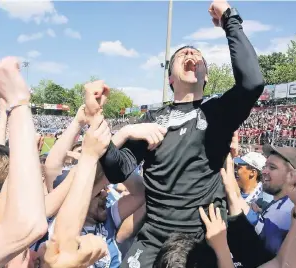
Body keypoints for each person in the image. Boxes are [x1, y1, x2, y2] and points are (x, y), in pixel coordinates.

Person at [97, 1, 264, 266]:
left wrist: (229, 20)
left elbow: (253, 82)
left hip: (202, 239)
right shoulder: (151, 120)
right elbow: (118, 169)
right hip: (153, 237)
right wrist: (123, 129)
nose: (190, 53)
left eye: (197, 56)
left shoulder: (218, 113)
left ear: (205, 76)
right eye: (181, 54)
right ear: (170, 79)